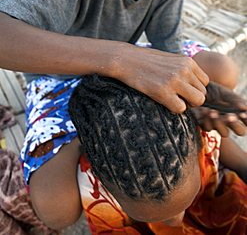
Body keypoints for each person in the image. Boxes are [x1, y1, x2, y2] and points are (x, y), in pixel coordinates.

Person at [0, 0, 246, 228]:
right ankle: (100, 139)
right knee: (56, 208)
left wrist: (197, 98)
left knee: (222, 73)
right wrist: (121, 58)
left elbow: (168, 50)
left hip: (133, 62)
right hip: (61, 77)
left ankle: (234, 157)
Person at [65, 74, 246, 234]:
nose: (177, 222)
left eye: (189, 199)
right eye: (145, 217)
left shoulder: (196, 136)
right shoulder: (95, 190)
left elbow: (241, 164)